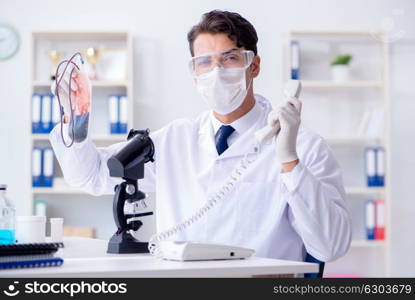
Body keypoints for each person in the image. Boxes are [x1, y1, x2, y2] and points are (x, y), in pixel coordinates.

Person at [50, 10, 351, 263]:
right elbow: (90, 176)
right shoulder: (173, 140)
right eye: (204, 62)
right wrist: (74, 119)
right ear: (194, 73)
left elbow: (330, 247)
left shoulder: (305, 148)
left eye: (230, 58)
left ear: (253, 65)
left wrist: (289, 161)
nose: (216, 71)